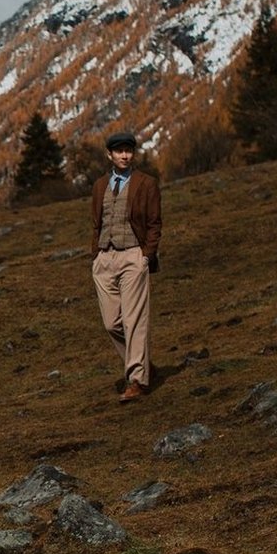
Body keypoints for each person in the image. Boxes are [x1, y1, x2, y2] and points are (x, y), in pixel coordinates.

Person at [90, 130, 161, 402]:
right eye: (119, 151)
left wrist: (145, 256)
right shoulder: (100, 186)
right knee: (112, 323)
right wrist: (96, 256)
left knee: (135, 320)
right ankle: (141, 363)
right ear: (109, 154)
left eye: (128, 150)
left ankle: (137, 379)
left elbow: (154, 224)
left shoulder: (147, 183)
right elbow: (96, 223)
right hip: (104, 259)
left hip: (133, 255)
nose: (124, 155)